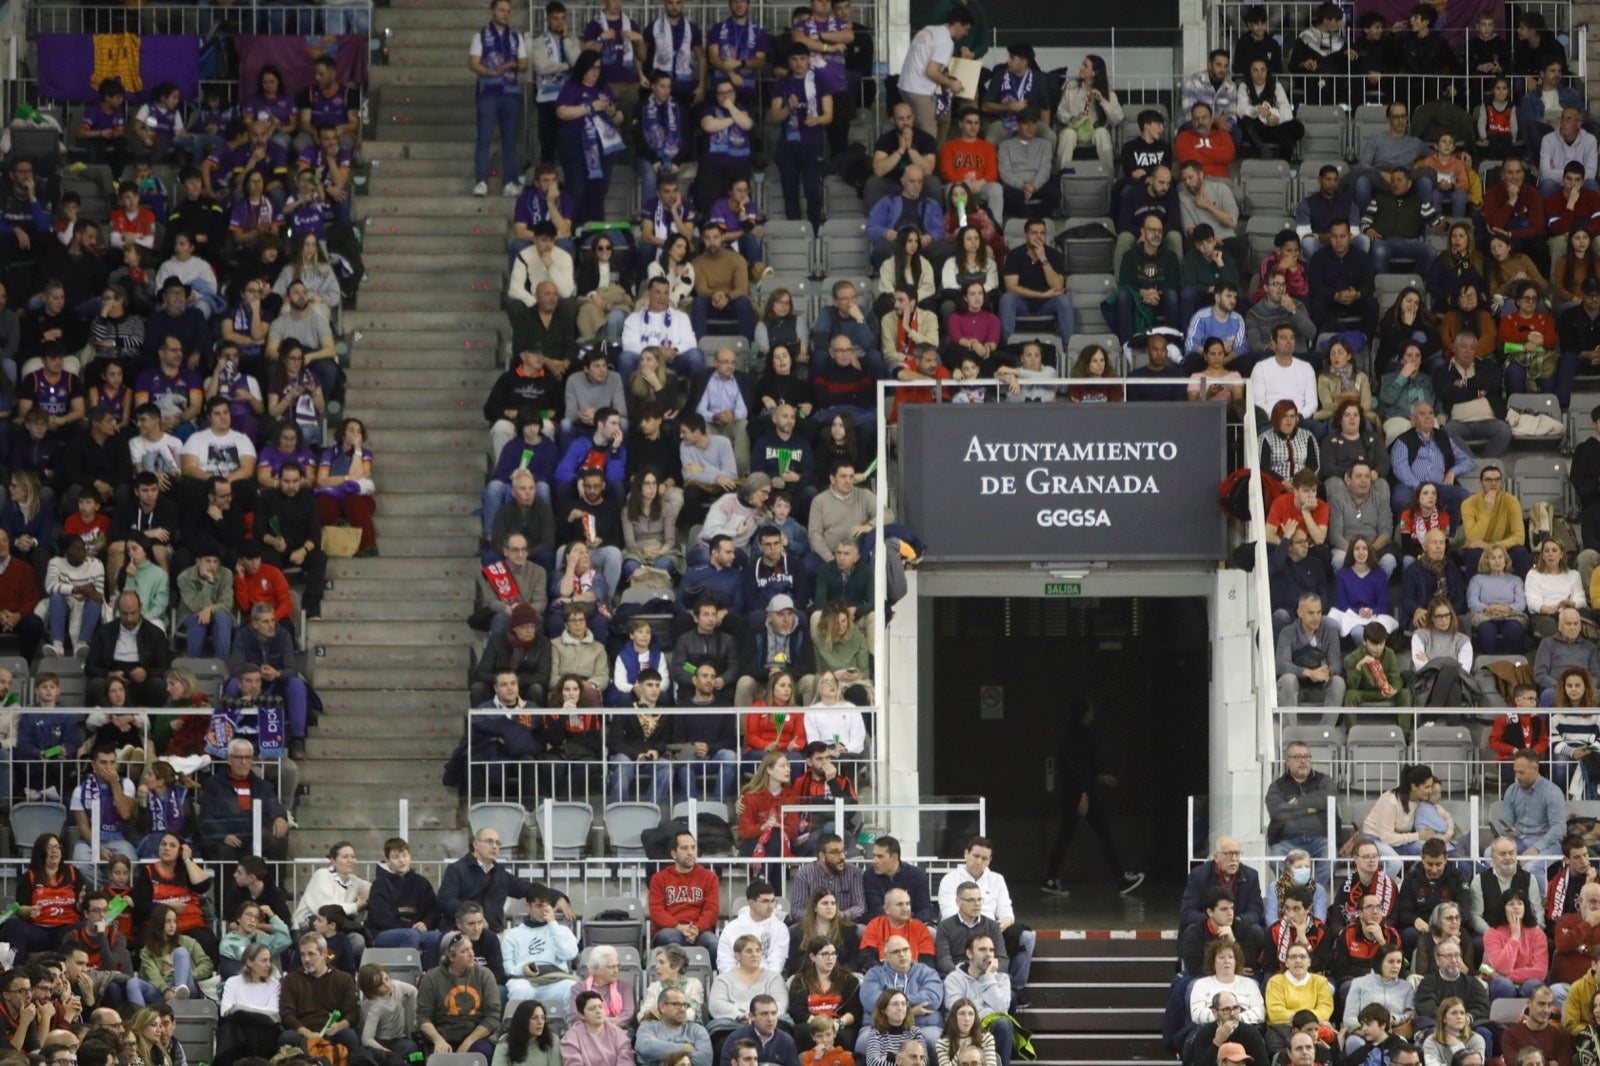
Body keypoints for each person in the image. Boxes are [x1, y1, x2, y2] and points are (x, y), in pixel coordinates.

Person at [417, 930, 500, 1059]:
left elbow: (492, 1017)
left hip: (475, 1035)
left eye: (471, 949)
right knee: (433, 1055)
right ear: (450, 956)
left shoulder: (484, 975)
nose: (471, 954)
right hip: (442, 1034)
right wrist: (437, 1040)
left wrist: (468, 1042)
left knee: (482, 1052)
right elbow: (423, 1017)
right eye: (464, 951)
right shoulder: (431, 978)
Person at [896, 8, 972, 137]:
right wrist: (951, 83)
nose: (965, 34)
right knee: (928, 136)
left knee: (911, 132)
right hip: (920, 91)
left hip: (905, 86)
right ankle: (928, 157)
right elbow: (931, 71)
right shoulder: (946, 41)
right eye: (966, 30)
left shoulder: (928, 30)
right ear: (957, 25)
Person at [650, 830, 721, 954]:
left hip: (699, 932)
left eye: (693, 848)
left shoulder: (709, 877)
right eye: (684, 848)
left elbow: (712, 909)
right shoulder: (659, 878)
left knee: (714, 943)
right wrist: (679, 927)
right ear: (674, 854)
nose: (690, 852)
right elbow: (657, 911)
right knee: (672, 939)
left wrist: (697, 928)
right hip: (670, 930)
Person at [561, 989, 635, 1066]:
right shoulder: (571, 1038)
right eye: (592, 1008)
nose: (598, 1011)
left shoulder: (617, 1033)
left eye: (600, 1007)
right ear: (581, 1015)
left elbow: (626, 1060)